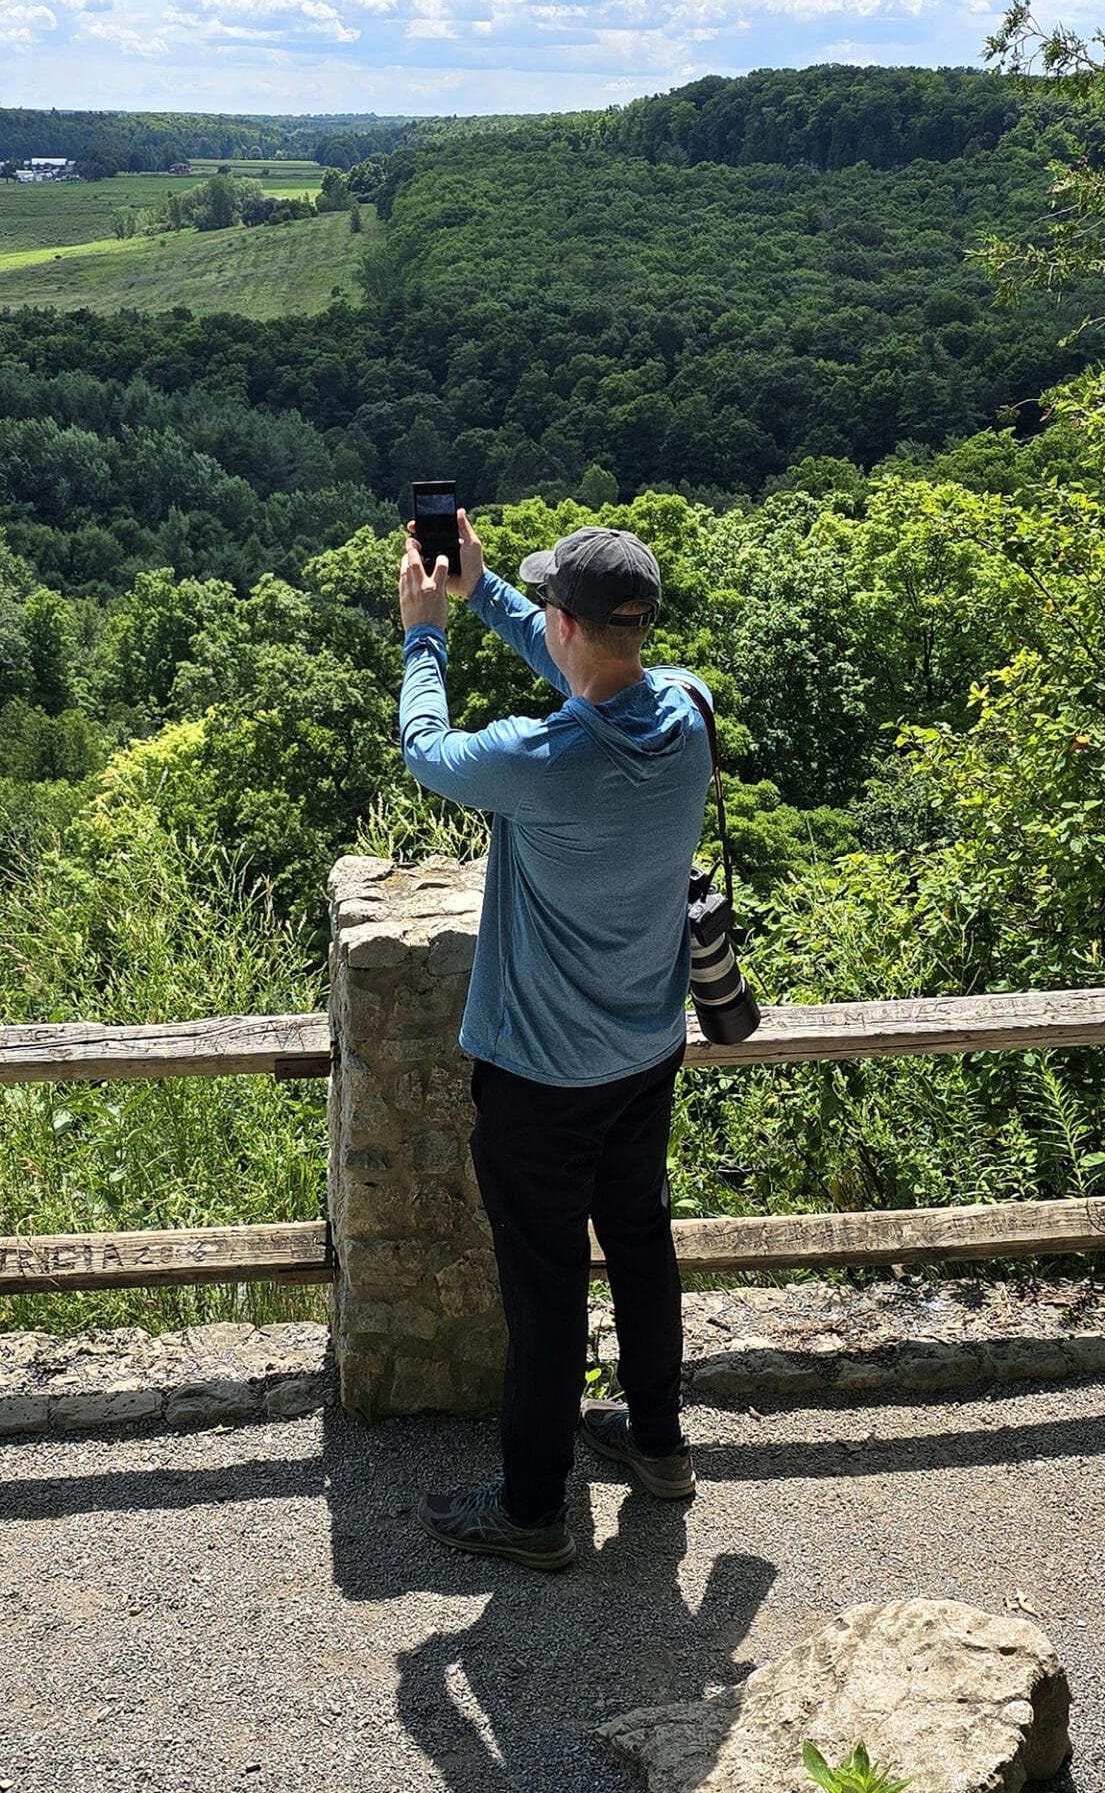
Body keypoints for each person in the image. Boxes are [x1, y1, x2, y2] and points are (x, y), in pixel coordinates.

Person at [394, 508, 717, 1572]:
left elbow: (426, 751)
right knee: (639, 1240)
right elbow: (583, 662)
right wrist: (489, 593)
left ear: (567, 622)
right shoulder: (691, 713)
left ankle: (532, 1510)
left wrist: (427, 628)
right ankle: (658, 1443)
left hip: (540, 1076)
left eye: (544, 610)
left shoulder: (540, 759)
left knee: (542, 1288)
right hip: (645, 1050)